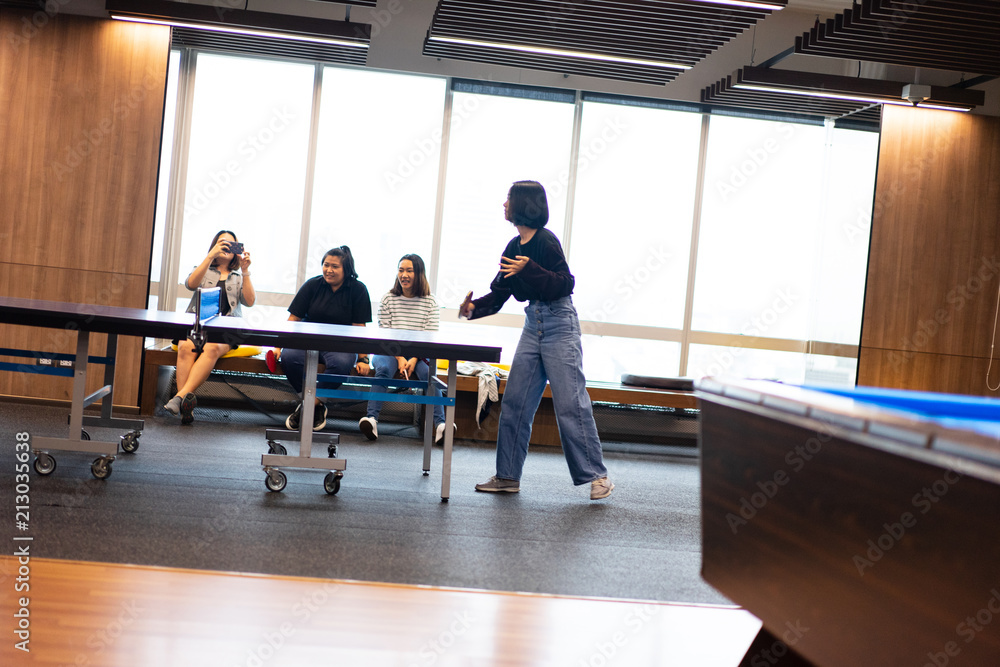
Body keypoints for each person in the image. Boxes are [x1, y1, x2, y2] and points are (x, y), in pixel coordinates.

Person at [459, 181, 614, 500]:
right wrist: (473, 309)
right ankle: (507, 477)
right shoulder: (511, 248)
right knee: (515, 402)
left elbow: (564, 283)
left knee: (570, 402)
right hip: (534, 324)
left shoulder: (545, 242)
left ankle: (598, 475)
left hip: (560, 322)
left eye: (508, 199)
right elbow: (500, 295)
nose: (503, 204)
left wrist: (530, 269)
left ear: (522, 204)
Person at [358, 254, 453, 444]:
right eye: (401, 270)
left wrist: (414, 358)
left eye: (409, 270)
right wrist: (400, 358)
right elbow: (385, 333)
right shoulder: (388, 299)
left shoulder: (430, 302)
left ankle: (441, 425)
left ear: (419, 274)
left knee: (429, 374)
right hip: (389, 350)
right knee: (383, 369)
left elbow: (429, 336)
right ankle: (372, 419)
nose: (404, 275)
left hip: (419, 353)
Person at [164, 230, 255, 424]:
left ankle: (179, 398)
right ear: (214, 245)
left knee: (211, 347)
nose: (226, 248)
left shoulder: (238, 277)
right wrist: (210, 257)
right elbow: (190, 284)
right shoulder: (203, 268)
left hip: (227, 332)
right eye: (222, 243)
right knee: (185, 346)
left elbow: (249, 301)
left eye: (231, 245)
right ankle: (184, 405)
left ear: (237, 251)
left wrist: (246, 270)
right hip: (197, 327)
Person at [279, 246, 372, 431]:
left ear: (347, 269)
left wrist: (363, 358)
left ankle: (308, 405)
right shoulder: (312, 285)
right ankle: (317, 404)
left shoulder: (358, 289)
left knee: (341, 364)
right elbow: (293, 320)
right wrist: (277, 346)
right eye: (326, 265)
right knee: (289, 358)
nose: (328, 270)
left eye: (334, 266)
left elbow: (359, 329)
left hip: (340, 345)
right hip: (307, 341)